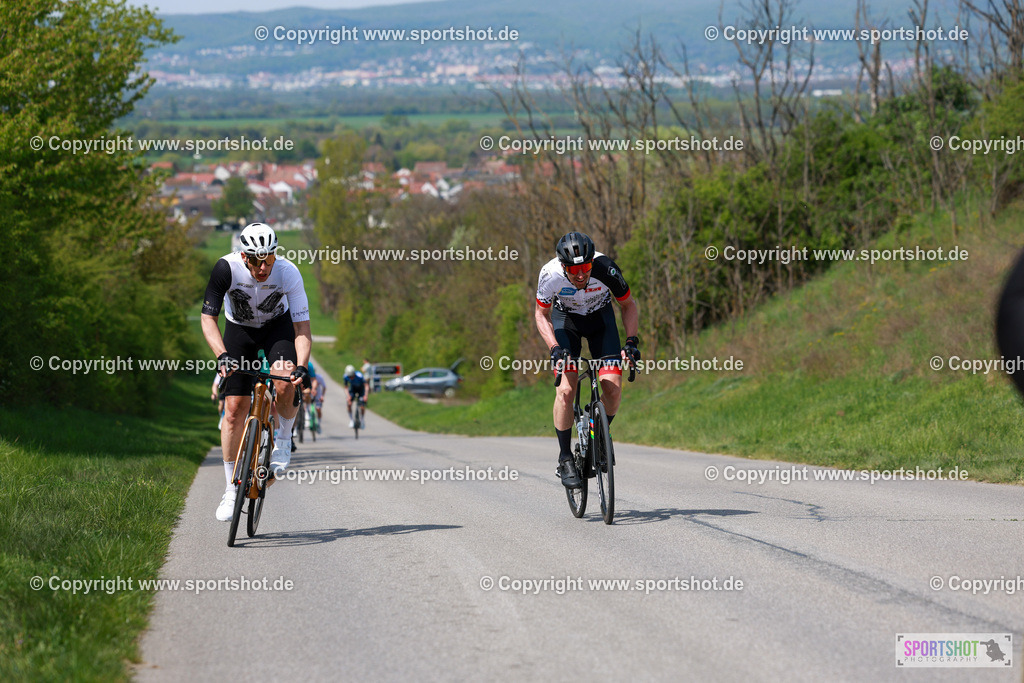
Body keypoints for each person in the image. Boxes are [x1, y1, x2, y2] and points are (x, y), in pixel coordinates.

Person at [201, 222, 312, 522]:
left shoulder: (288, 272)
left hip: (277, 328)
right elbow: (208, 318)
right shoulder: (226, 269)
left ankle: (284, 440)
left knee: (286, 381)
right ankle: (230, 490)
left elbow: (302, 327)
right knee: (234, 410)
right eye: (256, 260)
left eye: (269, 259)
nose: (263, 267)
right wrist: (222, 355)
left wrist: (302, 365)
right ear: (243, 255)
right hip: (239, 331)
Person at [534, 231, 641, 488]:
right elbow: (541, 314)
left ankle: (598, 435)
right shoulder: (549, 274)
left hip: (600, 320)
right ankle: (565, 458)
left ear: (592, 261)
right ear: (563, 266)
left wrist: (631, 342)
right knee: (566, 390)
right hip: (566, 322)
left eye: (585, 267)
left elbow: (628, 305)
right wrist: (554, 347)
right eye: (574, 269)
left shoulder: (606, 268)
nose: (581, 274)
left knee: (613, 389)